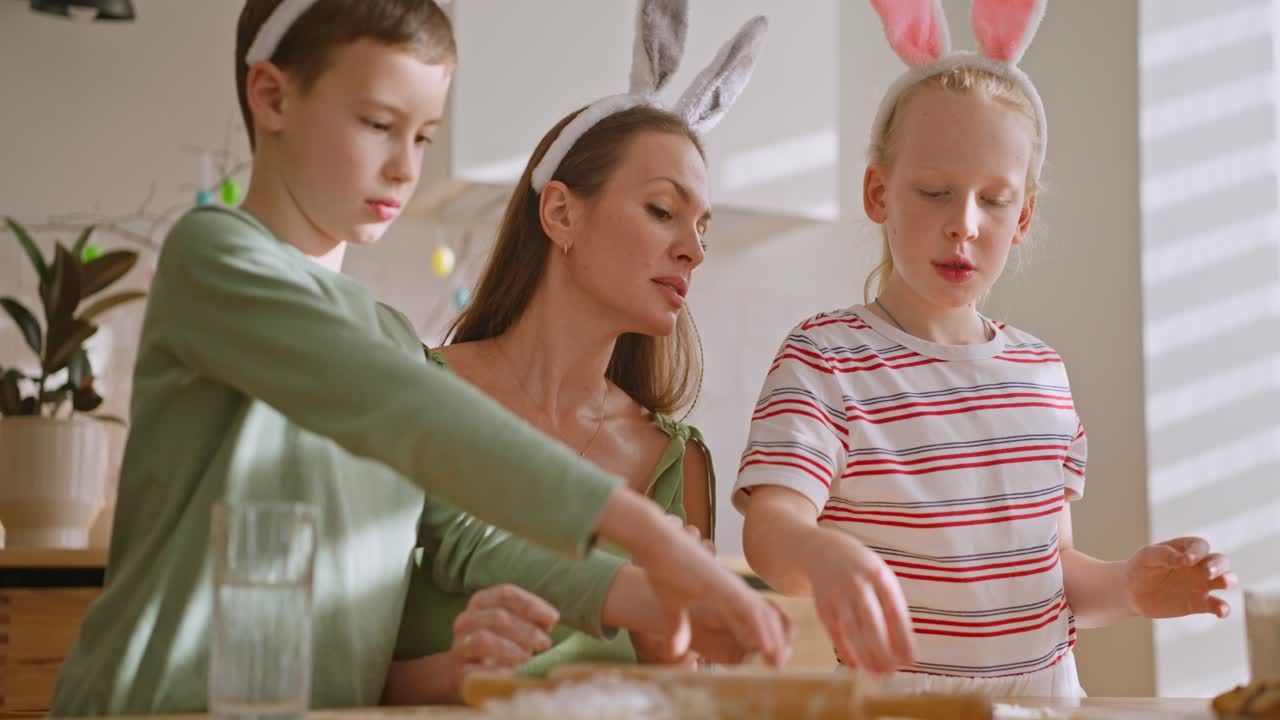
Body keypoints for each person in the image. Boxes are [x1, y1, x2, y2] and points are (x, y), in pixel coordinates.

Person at [50, 1, 786, 715]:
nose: (405, 169)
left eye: (424, 137)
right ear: (272, 97)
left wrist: (649, 596)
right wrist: (649, 533)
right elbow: (414, 415)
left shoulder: (392, 338)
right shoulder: (213, 257)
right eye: (378, 125)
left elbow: (468, 536)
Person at [733, 0, 1235, 697]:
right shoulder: (826, 360)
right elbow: (771, 528)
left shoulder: (1042, 375)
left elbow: (1050, 574)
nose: (962, 225)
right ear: (879, 192)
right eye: (935, 192)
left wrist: (1128, 588)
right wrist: (816, 556)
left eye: (993, 200)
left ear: (1023, 215)